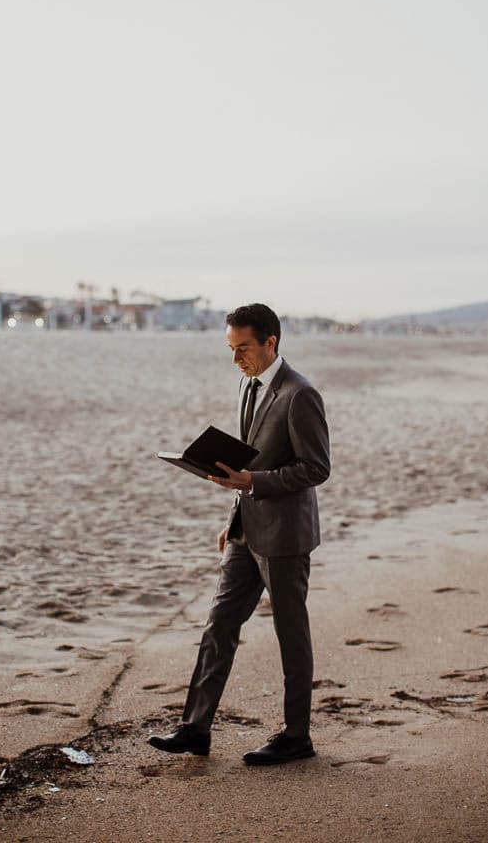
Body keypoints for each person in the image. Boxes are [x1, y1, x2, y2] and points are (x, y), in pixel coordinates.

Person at [148, 302, 331, 766]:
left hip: (286, 537)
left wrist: (254, 484)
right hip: (245, 531)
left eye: (243, 348)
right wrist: (233, 516)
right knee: (220, 625)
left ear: (271, 342)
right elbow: (246, 464)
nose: (236, 360)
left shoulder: (300, 394)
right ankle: (195, 728)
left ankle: (296, 737)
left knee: (292, 636)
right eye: (230, 349)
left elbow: (316, 468)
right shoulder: (247, 387)